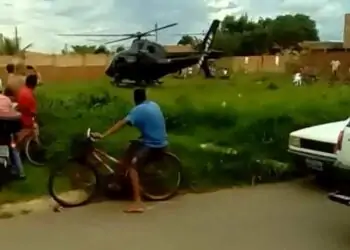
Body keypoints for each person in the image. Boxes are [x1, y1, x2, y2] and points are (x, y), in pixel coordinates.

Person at [92, 88, 168, 213]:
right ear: (145, 97)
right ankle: (117, 181)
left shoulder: (138, 110)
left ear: (134, 99)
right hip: (153, 139)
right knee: (129, 148)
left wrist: (103, 135)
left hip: (154, 144)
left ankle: (138, 202)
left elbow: (122, 123)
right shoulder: (153, 104)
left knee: (133, 167)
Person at [15, 74, 38, 146]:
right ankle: (37, 145)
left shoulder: (21, 90)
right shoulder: (30, 96)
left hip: (19, 117)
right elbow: (33, 113)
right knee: (36, 128)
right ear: (34, 84)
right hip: (26, 122)